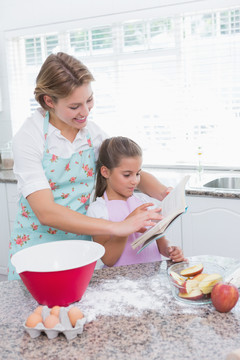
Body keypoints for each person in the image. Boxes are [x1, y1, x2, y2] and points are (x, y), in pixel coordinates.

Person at [8, 52, 170, 280]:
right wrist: (117, 227)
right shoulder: (30, 137)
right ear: (49, 101)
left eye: (89, 100)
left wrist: (165, 192)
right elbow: (46, 212)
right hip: (38, 248)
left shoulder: (91, 134)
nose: (85, 112)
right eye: (75, 106)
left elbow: (124, 169)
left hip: (82, 246)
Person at [87, 136, 185, 267]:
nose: (135, 181)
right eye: (127, 175)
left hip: (152, 279)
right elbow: (108, 260)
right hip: (119, 283)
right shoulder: (98, 210)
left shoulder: (144, 202)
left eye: (138, 173)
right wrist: (127, 225)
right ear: (105, 172)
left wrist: (171, 250)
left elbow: (161, 244)